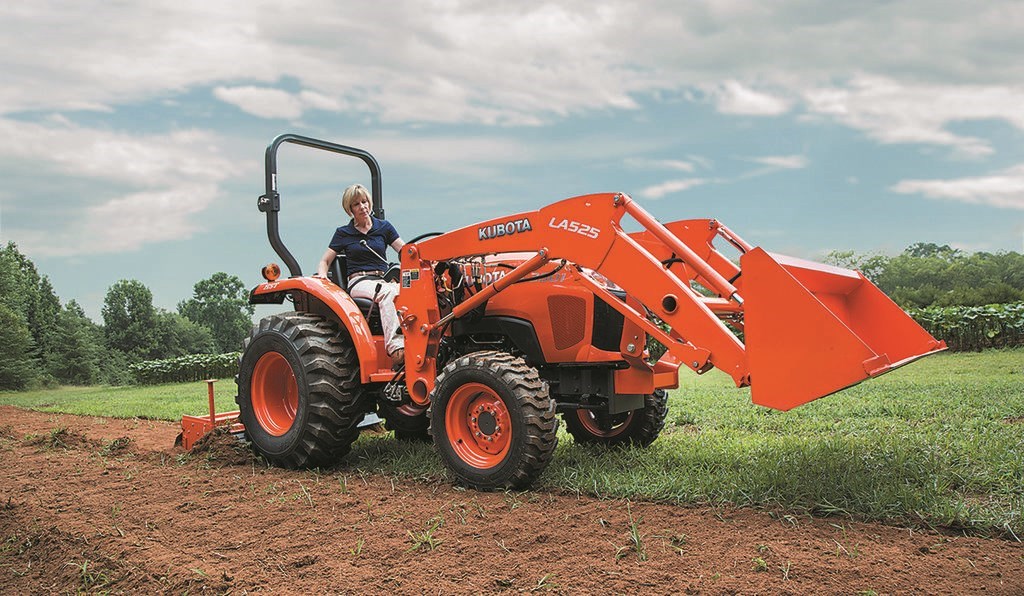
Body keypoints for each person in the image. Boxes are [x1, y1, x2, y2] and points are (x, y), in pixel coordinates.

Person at [315, 183, 405, 366]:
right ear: (350, 209)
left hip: (383, 278)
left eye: (364, 202)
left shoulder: (384, 228)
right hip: (360, 281)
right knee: (388, 292)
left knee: (408, 291)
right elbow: (325, 261)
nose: (362, 207)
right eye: (356, 204)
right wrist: (322, 277)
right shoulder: (343, 233)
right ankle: (396, 349)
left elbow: (405, 251)